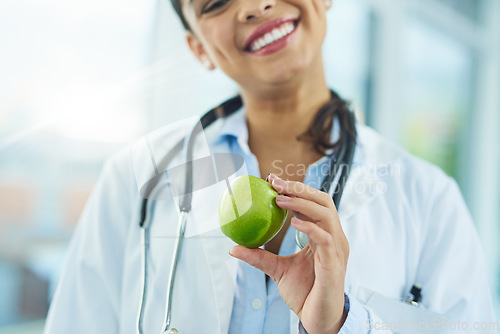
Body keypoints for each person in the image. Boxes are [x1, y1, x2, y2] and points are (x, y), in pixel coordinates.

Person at [44, 0, 496, 333]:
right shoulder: (136, 176)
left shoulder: (429, 197)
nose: (253, 5)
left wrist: (344, 323)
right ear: (198, 48)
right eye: (216, 3)